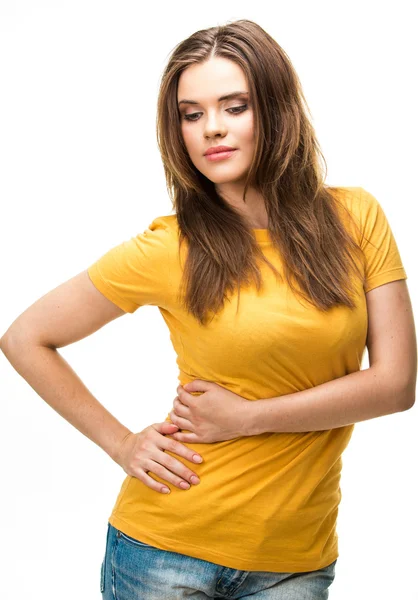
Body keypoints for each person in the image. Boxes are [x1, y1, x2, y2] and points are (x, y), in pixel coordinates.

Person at [1, 18, 416, 600]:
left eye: (234, 106)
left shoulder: (356, 218)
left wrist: (248, 417)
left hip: (295, 560)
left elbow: (396, 385)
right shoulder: (171, 247)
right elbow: (25, 337)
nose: (211, 130)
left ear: (277, 109)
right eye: (191, 114)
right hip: (163, 553)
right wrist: (122, 444)